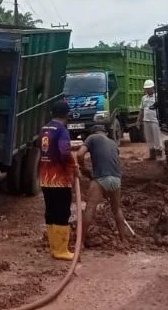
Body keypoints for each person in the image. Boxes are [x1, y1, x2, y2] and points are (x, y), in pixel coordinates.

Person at [75, 124, 128, 241]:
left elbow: (79, 154)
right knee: (116, 209)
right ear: (106, 133)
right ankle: (124, 240)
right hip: (116, 178)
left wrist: (83, 168)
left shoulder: (92, 138)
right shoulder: (113, 142)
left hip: (101, 178)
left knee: (90, 208)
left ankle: (81, 242)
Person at [39, 100, 77, 261]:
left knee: (51, 212)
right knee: (62, 213)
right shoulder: (62, 130)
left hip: (45, 179)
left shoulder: (45, 129)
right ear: (66, 114)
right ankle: (61, 250)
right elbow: (64, 152)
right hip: (59, 180)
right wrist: (72, 167)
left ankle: (54, 248)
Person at [140, 80, 162, 160]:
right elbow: (142, 109)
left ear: (153, 88)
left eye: (149, 88)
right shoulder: (144, 98)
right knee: (149, 138)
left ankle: (159, 155)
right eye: (146, 89)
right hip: (146, 120)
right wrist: (138, 120)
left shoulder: (157, 97)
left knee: (156, 138)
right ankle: (152, 155)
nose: (147, 90)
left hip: (155, 120)